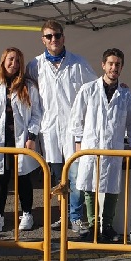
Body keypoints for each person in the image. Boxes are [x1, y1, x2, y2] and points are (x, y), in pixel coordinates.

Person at [26, 20, 97, 237]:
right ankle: (64, 214)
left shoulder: (78, 63)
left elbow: (95, 88)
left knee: (74, 175)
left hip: (74, 130)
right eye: (49, 36)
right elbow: (27, 95)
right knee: (58, 178)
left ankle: (75, 217)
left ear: (63, 37)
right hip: (49, 130)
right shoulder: (34, 65)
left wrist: (117, 84)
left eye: (57, 35)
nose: (53, 40)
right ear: (43, 40)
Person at [69, 48, 131, 243]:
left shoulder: (126, 95)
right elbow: (76, 120)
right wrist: (79, 146)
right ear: (103, 65)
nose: (114, 67)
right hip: (91, 147)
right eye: (111, 64)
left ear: (122, 67)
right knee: (89, 187)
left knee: (112, 188)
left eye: (118, 64)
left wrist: (129, 147)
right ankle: (92, 226)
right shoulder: (88, 90)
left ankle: (107, 227)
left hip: (114, 148)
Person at [0, 47, 42, 232]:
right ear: (3, 61)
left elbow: (36, 114)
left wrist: (31, 137)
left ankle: (28, 214)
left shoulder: (28, 86)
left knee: (23, 179)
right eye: (10, 59)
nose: (14, 64)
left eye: (18, 61)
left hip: (22, 141)